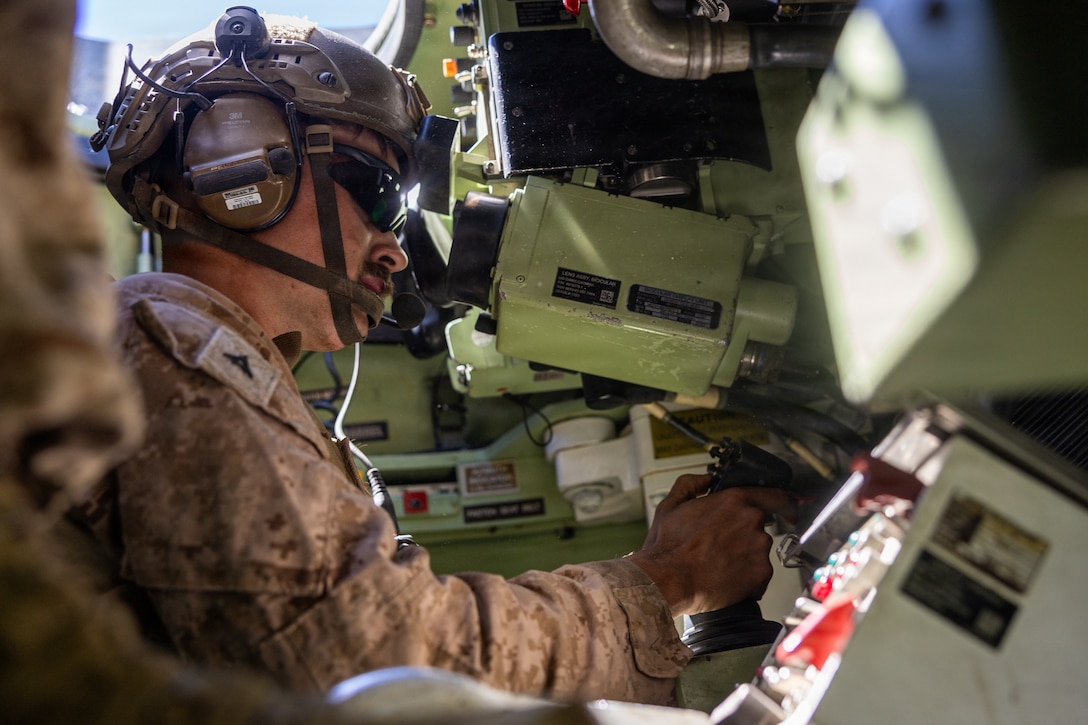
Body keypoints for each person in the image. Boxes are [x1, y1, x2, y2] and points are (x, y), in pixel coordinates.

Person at [66, 6, 795, 707]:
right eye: (380, 195)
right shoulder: (167, 340)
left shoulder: (208, 369)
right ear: (240, 165)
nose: (394, 245)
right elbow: (377, 667)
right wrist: (666, 578)